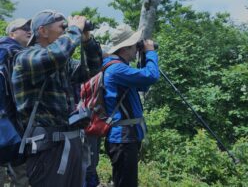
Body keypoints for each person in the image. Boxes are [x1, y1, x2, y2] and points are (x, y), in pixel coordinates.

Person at [11, 10, 102, 187]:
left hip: (68, 143)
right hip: (46, 149)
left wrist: (87, 41)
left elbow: (94, 68)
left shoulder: (62, 64)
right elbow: (56, 55)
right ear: (43, 31)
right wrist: (74, 29)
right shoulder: (25, 58)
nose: (65, 28)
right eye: (61, 25)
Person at [103, 24, 159, 187]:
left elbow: (143, 85)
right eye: (135, 46)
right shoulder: (117, 69)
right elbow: (152, 76)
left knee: (124, 182)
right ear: (125, 48)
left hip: (126, 137)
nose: (137, 48)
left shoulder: (120, 67)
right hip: (123, 138)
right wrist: (150, 52)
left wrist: (143, 58)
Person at [0, 18, 31, 187]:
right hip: (13, 128)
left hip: (6, 127)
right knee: (22, 177)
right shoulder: (15, 54)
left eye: (30, 27)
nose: (29, 30)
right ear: (12, 33)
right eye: (24, 27)